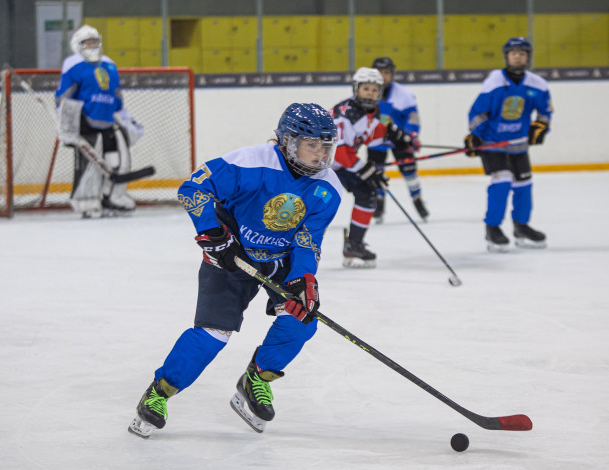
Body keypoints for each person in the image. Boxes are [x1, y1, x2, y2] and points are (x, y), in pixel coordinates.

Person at [128, 103, 341, 437]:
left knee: (301, 317)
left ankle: (257, 377)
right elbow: (193, 189)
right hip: (230, 254)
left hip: (279, 261)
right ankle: (159, 393)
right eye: (311, 144)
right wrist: (213, 235)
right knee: (212, 335)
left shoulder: (328, 188)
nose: (320, 153)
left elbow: (307, 239)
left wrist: (304, 277)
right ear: (287, 140)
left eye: (325, 145)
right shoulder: (250, 162)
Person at [464, 37, 552, 252]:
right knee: (502, 182)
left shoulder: (537, 84)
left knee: (524, 185)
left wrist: (541, 126)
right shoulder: (494, 81)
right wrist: (475, 135)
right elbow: (477, 112)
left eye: (522, 53)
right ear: (507, 57)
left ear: (528, 57)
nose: (518, 56)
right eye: (514, 53)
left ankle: (521, 226)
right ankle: (492, 228)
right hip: (492, 143)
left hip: (518, 144)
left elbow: (545, 111)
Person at [55, 25, 143, 218]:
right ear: (78, 45)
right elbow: (65, 97)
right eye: (87, 42)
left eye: (94, 41)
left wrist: (125, 119)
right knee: (89, 166)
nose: (92, 45)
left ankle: (110, 197)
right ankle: (86, 202)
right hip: (85, 123)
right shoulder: (74, 65)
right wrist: (66, 124)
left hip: (109, 122)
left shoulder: (110, 65)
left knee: (116, 161)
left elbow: (117, 95)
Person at [331, 67, 414, 268]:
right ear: (356, 89)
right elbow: (340, 150)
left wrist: (392, 135)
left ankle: (354, 244)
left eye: (375, 89)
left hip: (340, 165)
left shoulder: (370, 110)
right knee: (315, 206)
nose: (370, 93)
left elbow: (368, 133)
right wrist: (366, 169)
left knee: (367, 193)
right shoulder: (345, 113)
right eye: (366, 88)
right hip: (322, 166)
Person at [368, 57, 428, 223]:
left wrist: (412, 135)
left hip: (400, 138)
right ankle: (378, 203)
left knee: (409, 172)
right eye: (379, 73)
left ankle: (417, 199)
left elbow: (413, 117)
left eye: (386, 73)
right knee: (376, 174)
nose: (383, 76)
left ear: (392, 74)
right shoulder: (365, 92)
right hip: (376, 140)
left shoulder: (404, 94)